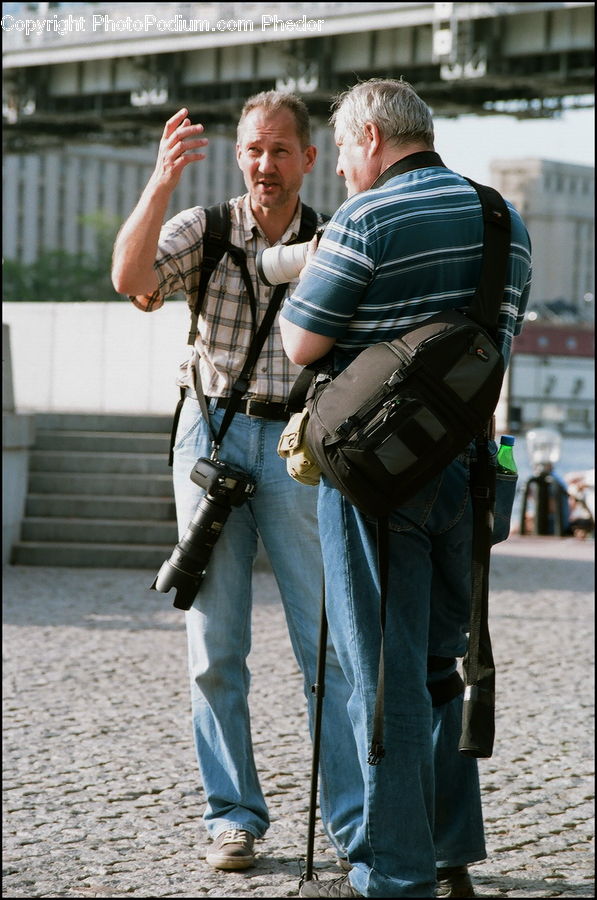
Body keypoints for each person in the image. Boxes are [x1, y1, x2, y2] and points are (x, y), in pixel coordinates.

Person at [280, 78, 532, 898]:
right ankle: (450, 853)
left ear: (372, 137)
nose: (343, 172)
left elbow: (299, 344)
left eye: (345, 153)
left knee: (379, 676)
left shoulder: (367, 217)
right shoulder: (505, 220)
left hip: (375, 481)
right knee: (437, 669)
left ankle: (392, 873)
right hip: (466, 476)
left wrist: (316, 271)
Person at [111, 91, 362, 872]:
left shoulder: (335, 236)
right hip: (211, 434)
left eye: (280, 150)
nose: (265, 164)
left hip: (296, 444)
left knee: (324, 647)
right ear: (238, 155)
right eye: (253, 149)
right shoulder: (207, 229)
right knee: (214, 646)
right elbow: (130, 278)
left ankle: (354, 828)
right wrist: (159, 183)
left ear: (308, 158)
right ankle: (233, 816)